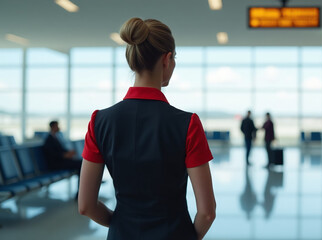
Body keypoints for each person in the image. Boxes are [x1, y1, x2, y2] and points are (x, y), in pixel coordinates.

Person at [78, 18, 216, 240]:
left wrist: (120, 225)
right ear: (167, 59)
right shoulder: (187, 124)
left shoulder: (99, 121)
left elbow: (85, 205)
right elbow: (207, 213)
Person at [43, 120, 82, 198]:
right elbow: (52, 154)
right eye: (57, 126)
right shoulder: (49, 139)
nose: (59, 127)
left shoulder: (55, 137)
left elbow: (60, 150)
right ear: (53, 127)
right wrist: (64, 155)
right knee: (80, 164)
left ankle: (81, 190)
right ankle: (81, 192)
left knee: (81, 163)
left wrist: (68, 153)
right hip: (56, 163)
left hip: (61, 161)